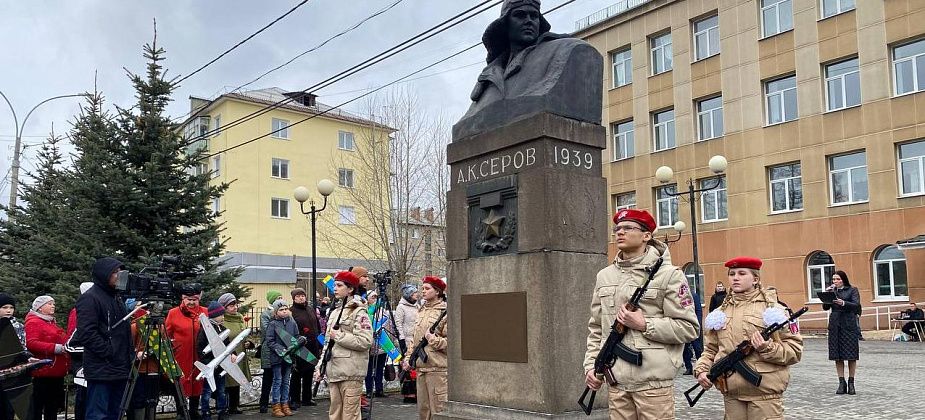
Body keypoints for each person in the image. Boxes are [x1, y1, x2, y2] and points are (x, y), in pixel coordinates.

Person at [583, 209, 699, 419]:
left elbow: (689, 328)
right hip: (616, 381)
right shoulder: (605, 276)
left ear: (646, 236)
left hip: (653, 383)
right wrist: (591, 365)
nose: (620, 232)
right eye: (617, 228)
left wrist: (645, 324)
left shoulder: (669, 275)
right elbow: (597, 328)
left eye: (628, 228)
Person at [454, 0, 602, 140]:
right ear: (505, 25)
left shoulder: (566, 51)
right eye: (520, 15)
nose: (529, 21)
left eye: (534, 16)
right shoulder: (489, 77)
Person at [694, 257, 804, 419]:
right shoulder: (719, 313)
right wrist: (702, 369)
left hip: (765, 395)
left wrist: (767, 348)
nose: (735, 277)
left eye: (742, 273)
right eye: (732, 274)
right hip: (732, 394)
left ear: (756, 279)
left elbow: (795, 351)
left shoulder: (775, 311)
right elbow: (711, 349)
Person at [76, 257, 133, 420]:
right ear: (104, 274)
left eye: (120, 272)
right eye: (115, 272)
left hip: (120, 367)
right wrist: (109, 351)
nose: (119, 275)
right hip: (102, 369)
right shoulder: (90, 298)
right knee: (98, 414)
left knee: (115, 413)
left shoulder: (116, 297)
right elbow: (86, 333)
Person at [314, 270, 373, 420]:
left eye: (339, 285)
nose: (335, 288)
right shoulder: (335, 312)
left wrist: (339, 336)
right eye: (335, 285)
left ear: (350, 289)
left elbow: (365, 341)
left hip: (351, 372)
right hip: (334, 371)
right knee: (335, 415)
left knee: (350, 416)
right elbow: (328, 344)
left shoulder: (359, 311)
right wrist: (320, 366)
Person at [401, 276, 448, 420]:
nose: (423, 291)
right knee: (423, 411)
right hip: (421, 368)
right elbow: (415, 341)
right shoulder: (421, 310)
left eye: (427, 288)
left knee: (438, 411)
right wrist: (409, 358)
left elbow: (452, 344)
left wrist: (433, 339)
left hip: (437, 369)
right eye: (422, 288)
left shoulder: (445, 311)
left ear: (438, 291)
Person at [165, 284, 209, 418]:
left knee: (197, 382)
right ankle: (181, 411)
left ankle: (194, 411)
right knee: (181, 383)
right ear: (183, 299)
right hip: (181, 355)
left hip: (199, 356)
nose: (191, 302)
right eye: (188, 299)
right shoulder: (173, 313)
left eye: (194, 299)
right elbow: (166, 334)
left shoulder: (205, 312)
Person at [25, 295, 70, 420]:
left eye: (53, 303)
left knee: (52, 406)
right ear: (40, 308)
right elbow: (31, 343)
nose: (53, 306)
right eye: (49, 304)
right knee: (38, 406)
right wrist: (56, 348)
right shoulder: (34, 322)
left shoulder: (51, 322)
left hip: (55, 372)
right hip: (43, 371)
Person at [823, 270, 861, 395]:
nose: (835, 282)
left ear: (843, 279)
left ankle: (851, 382)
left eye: (838, 279)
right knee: (837, 354)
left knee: (851, 355)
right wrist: (827, 295)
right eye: (834, 279)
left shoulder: (852, 290)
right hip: (835, 324)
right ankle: (841, 382)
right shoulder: (833, 291)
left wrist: (843, 303)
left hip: (848, 323)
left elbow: (856, 305)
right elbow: (825, 307)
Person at [217, 293, 253, 415]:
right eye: (231, 305)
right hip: (227, 354)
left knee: (237, 379)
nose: (235, 307)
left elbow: (244, 334)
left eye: (235, 304)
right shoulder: (222, 320)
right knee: (228, 381)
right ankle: (224, 406)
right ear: (224, 307)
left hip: (240, 353)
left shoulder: (239, 317)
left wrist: (248, 343)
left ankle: (234, 405)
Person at [196, 302, 230, 420]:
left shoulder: (224, 329)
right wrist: (208, 362)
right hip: (210, 366)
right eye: (220, 315)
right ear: (213, 316)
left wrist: (232, 355)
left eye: (223, 314)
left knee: (221, 390)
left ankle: (222, 411)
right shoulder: (205, 330)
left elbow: (227, 346)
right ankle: (205, 412)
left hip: (222, 366)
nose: (223, 317)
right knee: (207, 391)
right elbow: (200, 348)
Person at [289, 287, 321, 408]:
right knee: (297, 374)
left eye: (302, 295)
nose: (301, 297)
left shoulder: (310, 309)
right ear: (294, 298)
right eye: (298, 296)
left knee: (309, 373)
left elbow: (317, 326)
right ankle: (295, 399)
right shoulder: (291, 311)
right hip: (299, 347)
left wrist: (320, 343)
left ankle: (307, 398)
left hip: (313, 345)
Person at [66, 282, 94, 420]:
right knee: (83, 398)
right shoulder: (77, 312)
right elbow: (72, 338)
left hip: (98, 368)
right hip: (82, 365)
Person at [266, 299, 297, 417]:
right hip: (277, 358)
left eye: (286, 309)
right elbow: (270, 341)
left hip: (289, 357)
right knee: (277, 381)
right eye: (281, 310)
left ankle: (285, 404)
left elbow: (296, 336)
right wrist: (280, 349)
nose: (284, 312)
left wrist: (299, 342)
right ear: (275, 312)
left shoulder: (292, 323)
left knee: (286, 382)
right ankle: (276, 405)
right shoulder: (273, 324)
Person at [393, 284, 419, 404]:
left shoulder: (417, 306)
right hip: (406, 340)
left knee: (416, 366)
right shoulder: (401, 307)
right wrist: (401, 340)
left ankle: (417, 391)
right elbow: (398, 324)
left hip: (416, 339)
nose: (416, 295)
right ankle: (408, 393)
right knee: (406, 366)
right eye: (414, 293)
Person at [259, 290, 284, 413]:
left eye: (281, 297)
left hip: (282, 349)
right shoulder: (265, 314)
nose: (280, 300)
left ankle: (280, 402)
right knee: (268, 377)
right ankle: (263, 403)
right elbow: (266, 330)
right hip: (269, 350)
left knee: (281, 378)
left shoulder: (285, 314)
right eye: (277, 298)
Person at [365, 291, 389, 399]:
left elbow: (389, 327)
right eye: (372, 297)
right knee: (369, 369)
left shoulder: (384, 312)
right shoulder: (365, 312)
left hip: (382, 344)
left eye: (376, 297)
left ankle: (379, 389)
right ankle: (369, 390)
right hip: (370, 344)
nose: (375, 299)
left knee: (380, 368)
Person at [683, 288, 704, 375]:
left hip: (694, 326)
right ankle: (688, 368)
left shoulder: (694, 296)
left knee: (697, 348)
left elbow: (699, 311)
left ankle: (700, 367)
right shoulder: (680, 297)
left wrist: (698, 324)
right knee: (685, 349)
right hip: (684, 327)